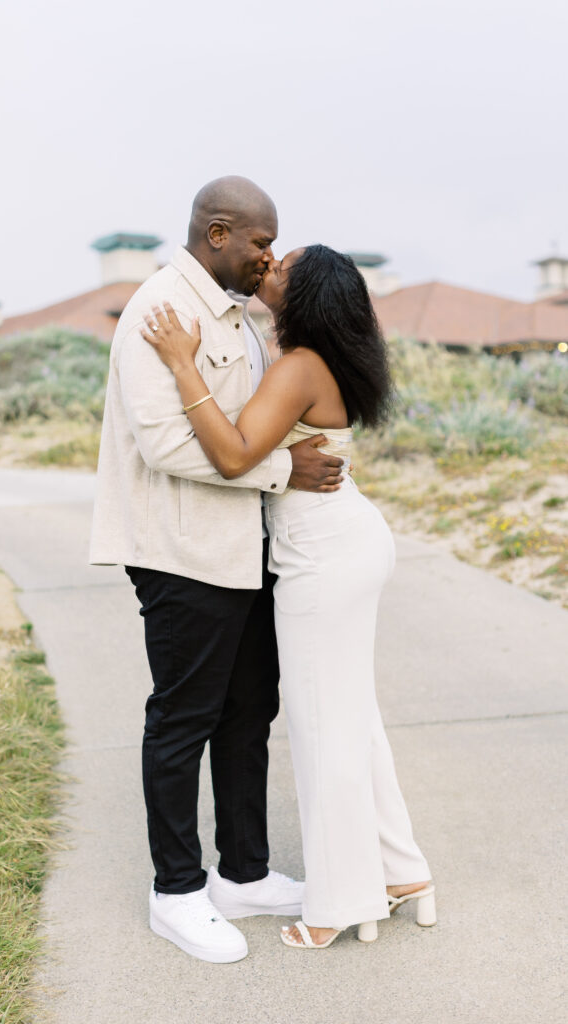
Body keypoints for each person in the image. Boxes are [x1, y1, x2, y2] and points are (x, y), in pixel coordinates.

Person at [140, 244, 436, 950]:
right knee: (351, 717)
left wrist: (182, 365)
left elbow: (236, 455)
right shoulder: (315, 356)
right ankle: (401, 872)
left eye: (281, 267)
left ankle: (338, 902)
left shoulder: (301, 364)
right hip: (342, 543)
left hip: (323, 558)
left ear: (303, 297)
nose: (267, 266)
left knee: (320, 727)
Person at [89, 178, 344, 964]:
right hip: (180, 550)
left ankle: (242, 874)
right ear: (219, 232)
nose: (268, 257)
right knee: (183, 719)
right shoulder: (160, 310)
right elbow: (169, 445)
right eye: (260, 243)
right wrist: (280, 474)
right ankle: (177, 893)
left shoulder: (233, 311)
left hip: (240, 549)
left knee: (246, 711)